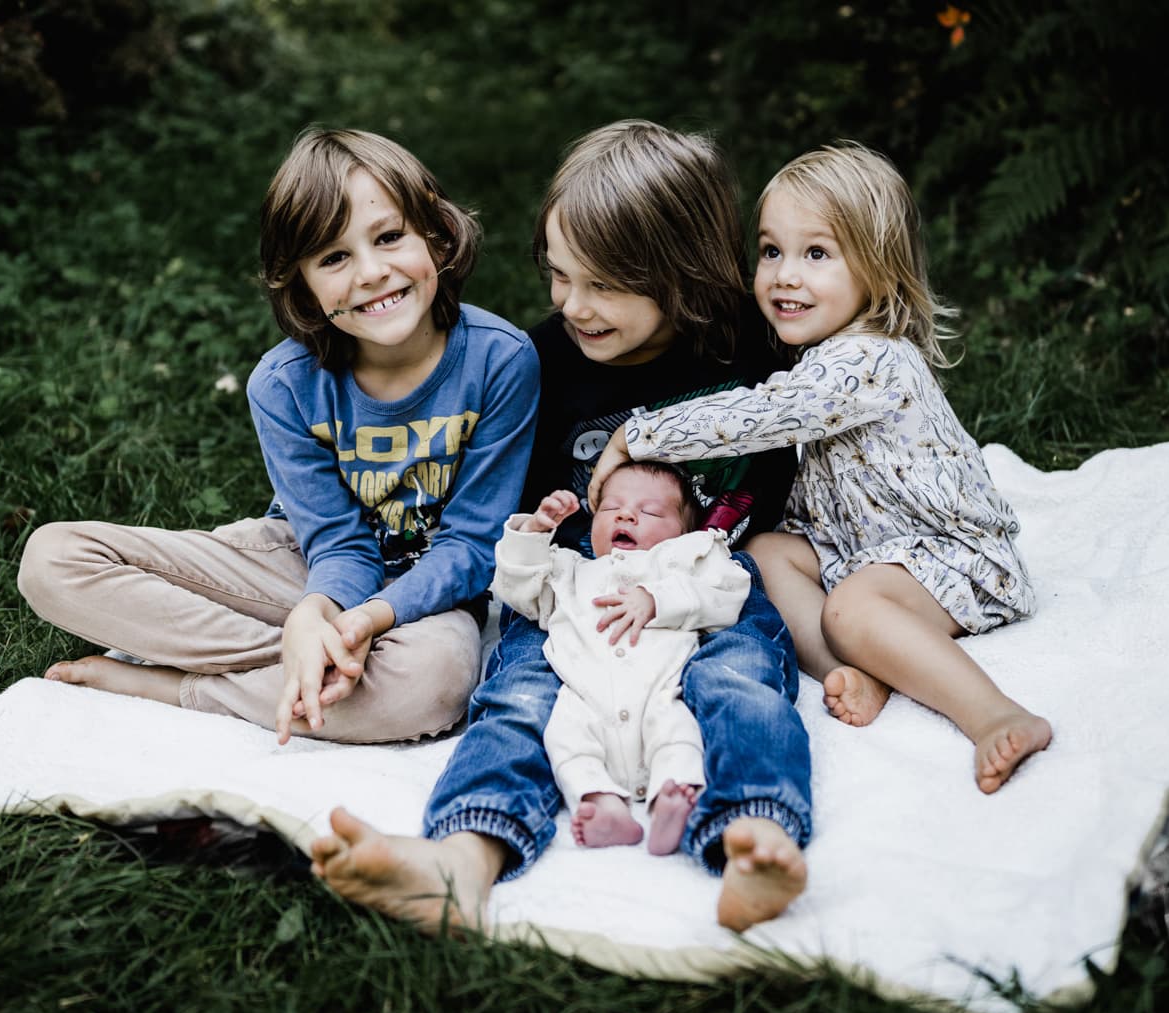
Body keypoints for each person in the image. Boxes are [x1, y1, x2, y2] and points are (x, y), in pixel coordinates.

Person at [310, 119, 810, 934]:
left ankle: (755, 829)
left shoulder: (753, 351)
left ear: (680, 274)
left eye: (601, 285)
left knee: (740, 680)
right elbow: (501, 517)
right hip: (577, 593)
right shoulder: (540, 363)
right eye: (558, 275)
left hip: (707, 579)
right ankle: (462, 857)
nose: (571, 304)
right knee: (516, 697)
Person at [16, 128, 540, 744]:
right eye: (334, 257)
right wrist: (313, 615)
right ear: (305, 289)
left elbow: (472, 547)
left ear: (438, 234)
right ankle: (311, 661)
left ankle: (181, 687)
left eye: (390, 236)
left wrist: (368, 618)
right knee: (52, 560)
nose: (372, 272)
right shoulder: (285, 384)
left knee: (432, 685)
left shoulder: (501, 361)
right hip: (302, 563)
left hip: (430, 594)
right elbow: (335, 543)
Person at [591, 142, 1051, 794]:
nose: (783, 274)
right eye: (771, 250)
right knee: (767, 556)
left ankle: (994, 713)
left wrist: (643, 434)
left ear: (876, 269)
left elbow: (766, 414)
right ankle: (862, 667)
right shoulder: (821, 353)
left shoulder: (869, 358)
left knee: (852, 608)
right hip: (865, 546)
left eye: (816, 253)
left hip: (952, 556)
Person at [497, 463, 749, 856]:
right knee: (564, 738)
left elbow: (728, 592)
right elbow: (518, 589)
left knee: (679, 733)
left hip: (661, 690)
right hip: (583, 696)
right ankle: (601, 804)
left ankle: (676, 794)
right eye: (610, 508)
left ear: (683, 533)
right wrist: (536, 531)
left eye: (649, 512)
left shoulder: (682, 563)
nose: (626, 515)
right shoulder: (571, 570)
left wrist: (658, 600)